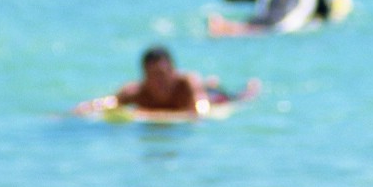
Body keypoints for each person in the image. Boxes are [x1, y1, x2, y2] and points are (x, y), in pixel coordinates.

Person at [72, 45, 257, 115]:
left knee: (235, 98)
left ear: (173, 71)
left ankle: (245, 88)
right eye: (152, 76)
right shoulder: (136, 92)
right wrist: (79, 110)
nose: (158, 81)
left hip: (210, 97)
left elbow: (201, 111)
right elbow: (107, 103)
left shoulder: (186, 83)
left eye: (162, 74)